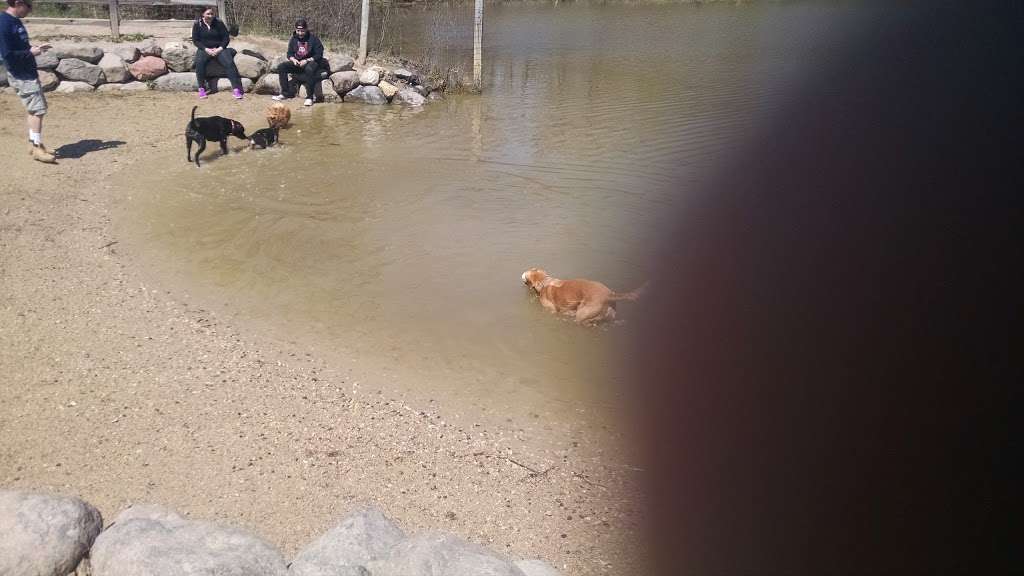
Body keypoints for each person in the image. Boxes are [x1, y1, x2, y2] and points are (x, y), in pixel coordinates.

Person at [0, 0, 55, 163]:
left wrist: (34, 48)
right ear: (18, 3)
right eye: (29, 5)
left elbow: (19, 47)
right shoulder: (4, 23)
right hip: (22, 74)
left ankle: (35, 144)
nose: (30, 10)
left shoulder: (14, 22)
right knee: (38, 110)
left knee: (34, 110)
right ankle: (37, 148)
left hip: (26, 72)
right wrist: (31, 53)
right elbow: (7, 54)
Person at [191, 6, 243, 100]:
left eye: (212, 14)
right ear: (203, 14)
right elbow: (195, 40)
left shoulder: (218, 23)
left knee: (229, 63)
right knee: (199, 62)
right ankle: (202, 88)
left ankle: (236, 89)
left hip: (219, 48)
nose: (210, 16)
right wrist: (206, 49)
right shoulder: (197, 24)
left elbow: (226, 38)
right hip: (205, 49)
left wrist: (219, 49)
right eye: (208, 14)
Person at [272, 18, 324, 107]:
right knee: (282, 67)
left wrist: (307, 60)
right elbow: (289, 53)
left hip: (311, 62)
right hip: (297, 63)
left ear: (306, 29)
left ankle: (310, 97)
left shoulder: (313, 39)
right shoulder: (294, 39)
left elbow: (319, 54)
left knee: (309, 69)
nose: (300, 33)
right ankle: (285, 93)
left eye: (302, 31)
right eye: (298, 30)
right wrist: (293, 59)